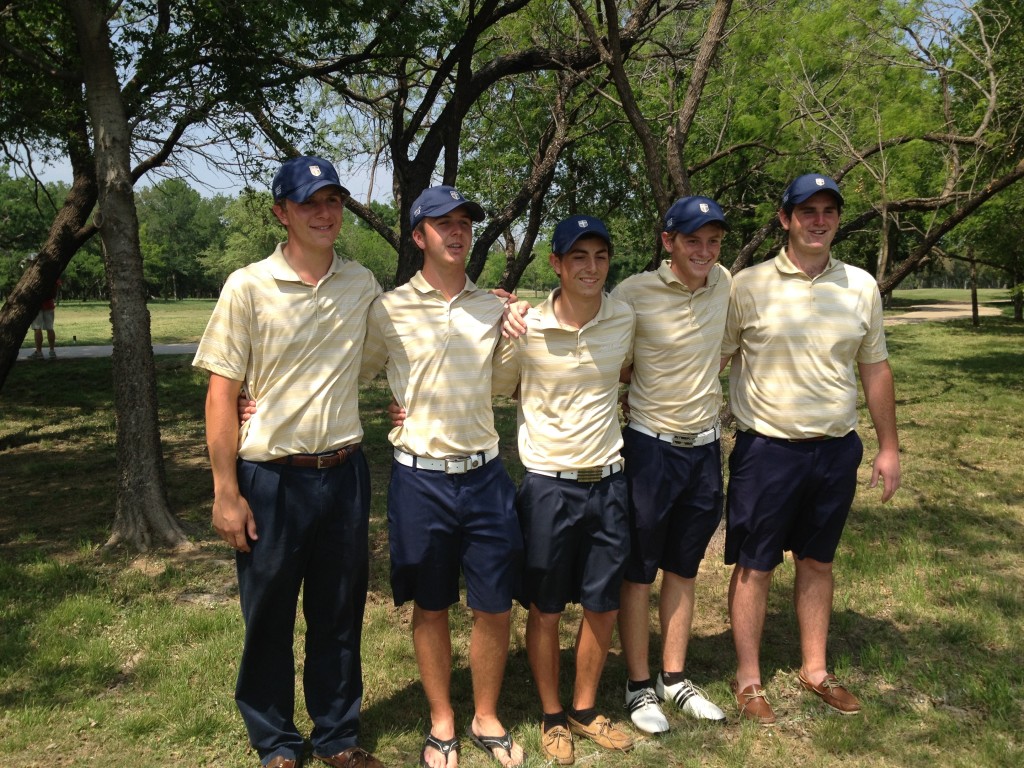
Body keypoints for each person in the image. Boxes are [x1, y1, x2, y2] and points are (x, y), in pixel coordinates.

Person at [193, 156, 386, 768]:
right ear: (282, 212)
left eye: (333, 201)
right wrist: (226, 491)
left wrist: (497, 306)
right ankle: (275, 742)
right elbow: (221, 392)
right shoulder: (248, 285)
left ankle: (337, 736)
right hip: (271, 478)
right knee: (269, 617)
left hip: (344, 473)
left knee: (339, 614)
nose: (324, 213)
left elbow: (401, 343)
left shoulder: (362, 284)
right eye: (309, 203)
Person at [719, 173, 901, 724]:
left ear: (838, 219)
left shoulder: (861, 286)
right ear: (785, 219)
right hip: (766, 450)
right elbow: (713, 357)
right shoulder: (747, 285)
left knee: (818, 562)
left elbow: (875, 367)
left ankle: (816, 670)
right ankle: (748, 679)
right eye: (807, 211)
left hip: (835, 449)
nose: (818, 221)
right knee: (755, 565)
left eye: (828, 211)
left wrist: (888, 447)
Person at [358, 186, 525, 768]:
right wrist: (259, 403)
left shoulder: (493, 308)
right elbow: (348, 373)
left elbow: (505, 383)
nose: (457, 232)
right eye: (442, 223)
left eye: (464, 223)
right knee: (430, 606)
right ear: (418, 235)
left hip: (485, 476)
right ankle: (442, 719)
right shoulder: (388, 309)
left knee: (494, 606)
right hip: (419, 481)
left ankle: (486, 716)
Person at [494, 215, 636, 765]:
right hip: (549, 486)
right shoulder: (525, 327)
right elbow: (497, 386)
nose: (591, 267)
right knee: (547, 607)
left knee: (602, 605)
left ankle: (584, 708)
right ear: (556, 263)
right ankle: (552, 713)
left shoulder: (623, 317)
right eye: (579, 257)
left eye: (600, 256)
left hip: (609, 481)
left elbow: (631, 372)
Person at [609, 197, 731, 734]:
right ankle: (638, 685)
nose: (704, 251)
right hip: (649, 449)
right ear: (668, 241)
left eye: (713, 241)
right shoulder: (634, 293)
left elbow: (726, 348)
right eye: (692, 240)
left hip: (704, 449)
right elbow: (611, 359)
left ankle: (674, 678)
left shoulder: (725, 283)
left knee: (684, 567)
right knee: (638, 571)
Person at [28, 276, 61, 359]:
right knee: (50, 328)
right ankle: (52, 351)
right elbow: (56, 288)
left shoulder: (35, 275)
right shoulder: (53, 275)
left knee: (37, 328)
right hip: (49, 304)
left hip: (36, 305)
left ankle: (39, 352)